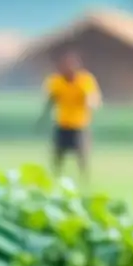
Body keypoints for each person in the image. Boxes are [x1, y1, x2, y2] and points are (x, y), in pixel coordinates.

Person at [39, 50, 100, 182]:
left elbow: (93, 98)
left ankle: (84, 180)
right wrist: (43, 118)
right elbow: (50, 100)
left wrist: (90, 102)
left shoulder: (85, 80)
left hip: (79, 124)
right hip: (62, 123)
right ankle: (56, 178)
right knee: (58, 155)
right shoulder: (56, 81)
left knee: (82, 155)